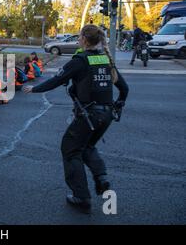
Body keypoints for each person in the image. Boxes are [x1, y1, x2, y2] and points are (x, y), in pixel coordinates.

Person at [23, 24, 129, 214]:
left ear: (85, 40)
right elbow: (124, 88)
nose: (78, 39)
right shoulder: (105, 59)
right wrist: (118, 104)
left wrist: (35, 88)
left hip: (89, 115)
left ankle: (81, 197)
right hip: (106, 115)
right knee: (87, 146)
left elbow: (57, 79)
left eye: (80, 37)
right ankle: (101, 177)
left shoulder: (80, 60)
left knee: (70, 149)